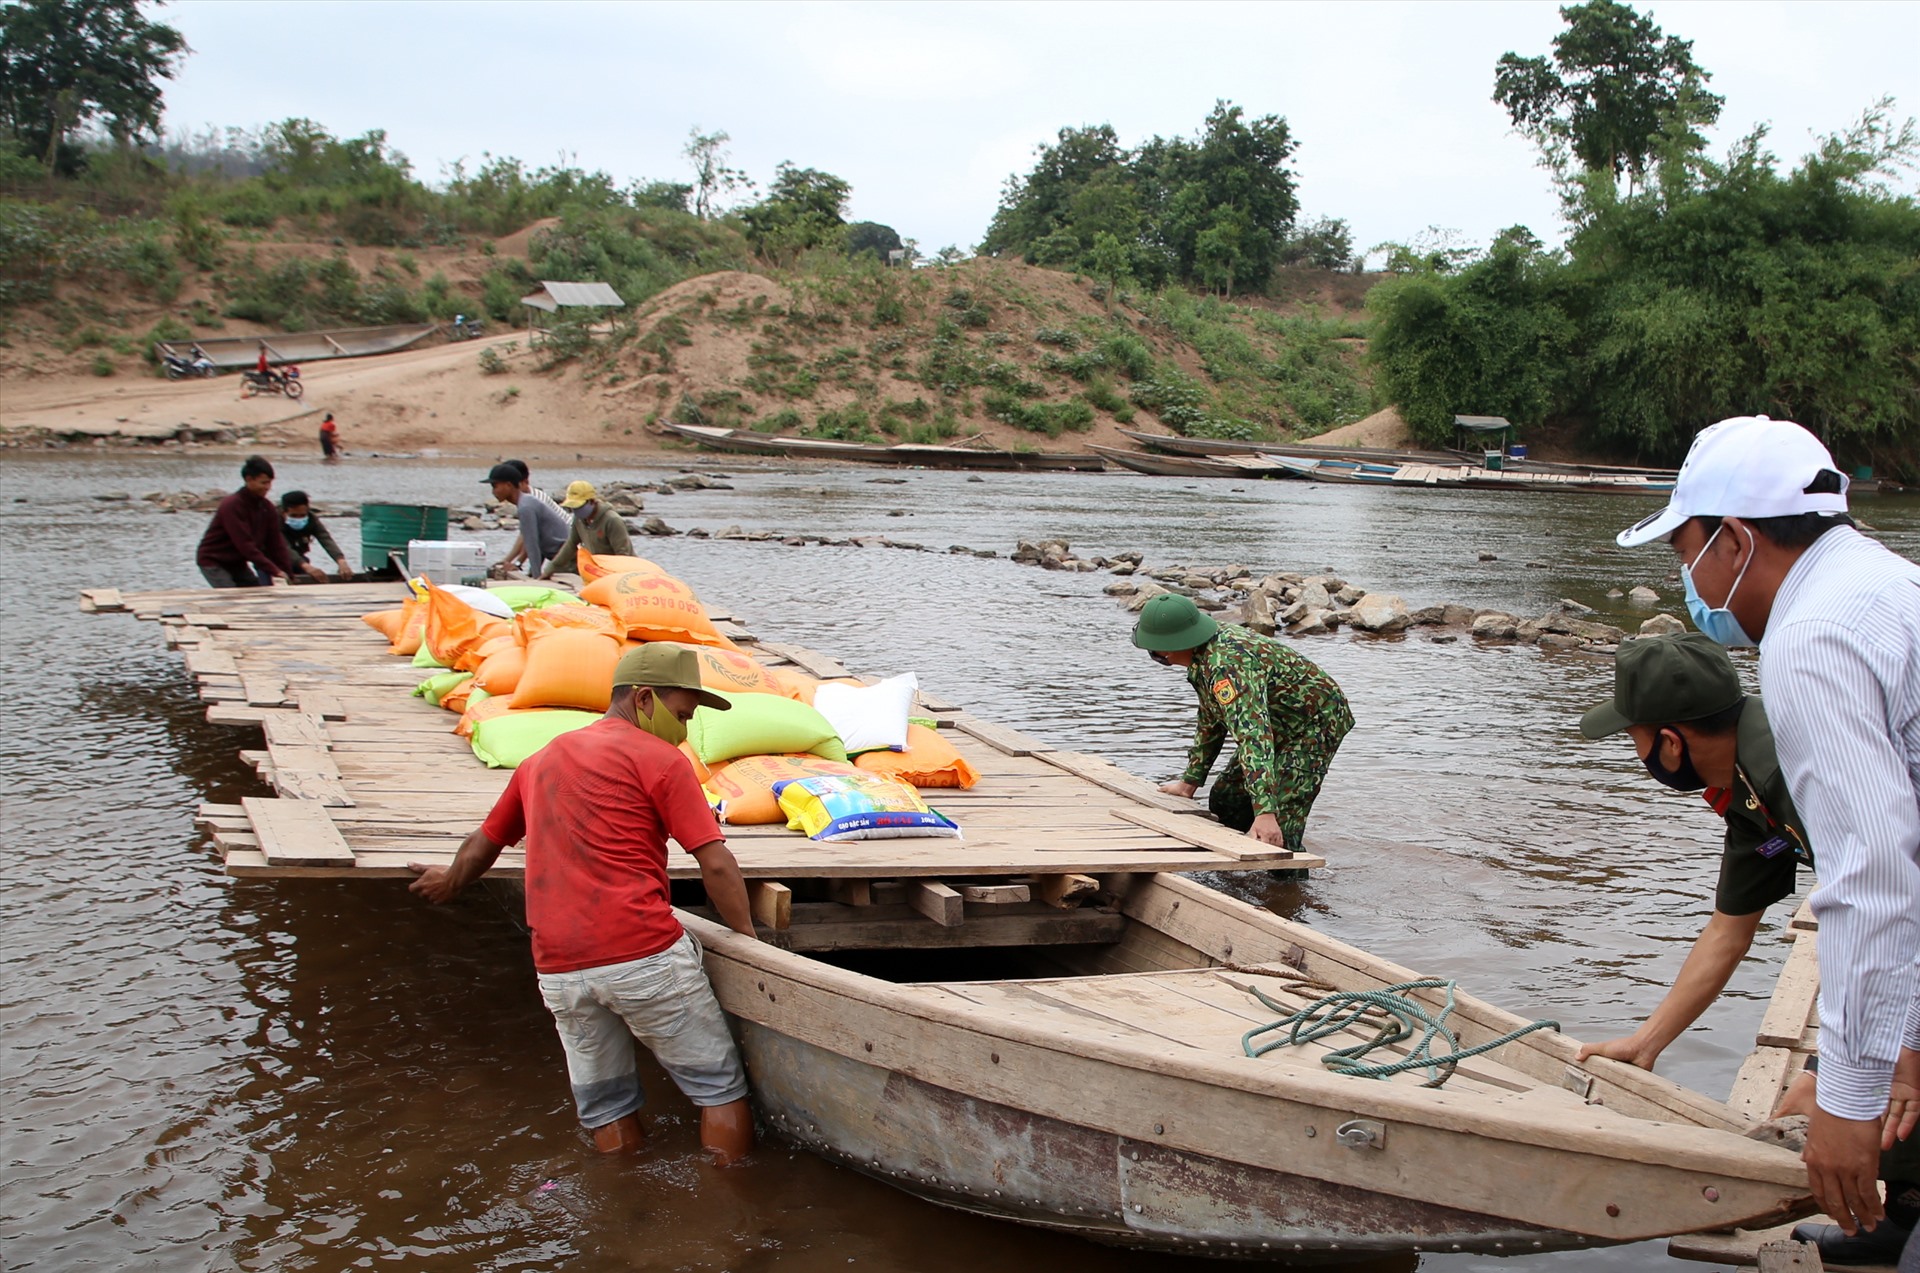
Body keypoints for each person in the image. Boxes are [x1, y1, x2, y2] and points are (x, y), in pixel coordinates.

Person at [1615, 414, 1919, 1265]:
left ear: (1734, 539)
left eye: (1684, 556)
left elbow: (1879, 879)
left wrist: (1848, 1099)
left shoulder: (1811, 637)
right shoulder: (1876, 584)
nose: (1689, 581)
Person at [407, 645, 758, 1162]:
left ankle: (621, 1210)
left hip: (559, 970)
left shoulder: (539, 761)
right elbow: (717, 864)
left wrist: (450, 882)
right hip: (643, 957)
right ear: (643, 699)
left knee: (608, 1105)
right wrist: (749, 939)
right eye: (682, 715)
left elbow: (486, 841)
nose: (684, 730)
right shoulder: (662, 761)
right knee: (719, 1091)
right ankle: (732, 1216)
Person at [1574, 633, 1815, 1072]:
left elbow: (1884, 912)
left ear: (1671, 743)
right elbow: (1728, 933)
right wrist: (1645, 1043)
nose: (1638, 754)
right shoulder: (1745, 790)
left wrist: (1834, 1070)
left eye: (1635, 739)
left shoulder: (1796, 776)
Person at [1132, 592, 1353, 850]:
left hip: (1316, 722)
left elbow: (1253, 737)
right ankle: (1243, 867)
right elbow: (1211, 720)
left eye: (1155, 651)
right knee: (1227, 799)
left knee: (1280, 829)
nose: (1158, 657)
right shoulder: (1203, 654)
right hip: (1276, 717)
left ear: (1170, 648)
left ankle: (1287, 882)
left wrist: (1266, 812)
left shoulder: (1226, 666)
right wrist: (1190, 781)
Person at [196, 455, 293, 588]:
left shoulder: (267, 507)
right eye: (263, 483)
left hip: (237, 561)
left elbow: (275, 543)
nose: (268, 487)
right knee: (230, 596)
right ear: (249, 480)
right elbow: (245, 545)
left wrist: (287, 572)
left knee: (255, 591)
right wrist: (274, 570)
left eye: (269, 482)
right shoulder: (232, 505)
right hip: (214, 560)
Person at [484, 461, 571, 578]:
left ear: (508, 485)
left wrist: (536, 578)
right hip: (561, 558)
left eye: (495, 486)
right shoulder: (527, 501)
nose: (493, 491)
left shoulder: (526, 507)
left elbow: (532, 544)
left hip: (569, 560)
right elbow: (534, 540)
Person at [542, 480, 633, 578]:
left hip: (620, 571)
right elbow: (571, 544)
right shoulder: (579, 519)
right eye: (572, 508)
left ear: (591, 502)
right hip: (598, 569)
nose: (575, 511)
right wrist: (550, 569)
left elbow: (623, 555)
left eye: (578, 507)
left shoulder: (612, 520)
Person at [278, 491, 353, 582]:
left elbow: (325, 539)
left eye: (302, 515)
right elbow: (284, 548)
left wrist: (341, 561)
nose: (298, 519)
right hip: (271, 560)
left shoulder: (311, 519)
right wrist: (307, 567)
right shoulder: (274, 521)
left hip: (298, 559)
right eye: (293, 515)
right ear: (283, 513)